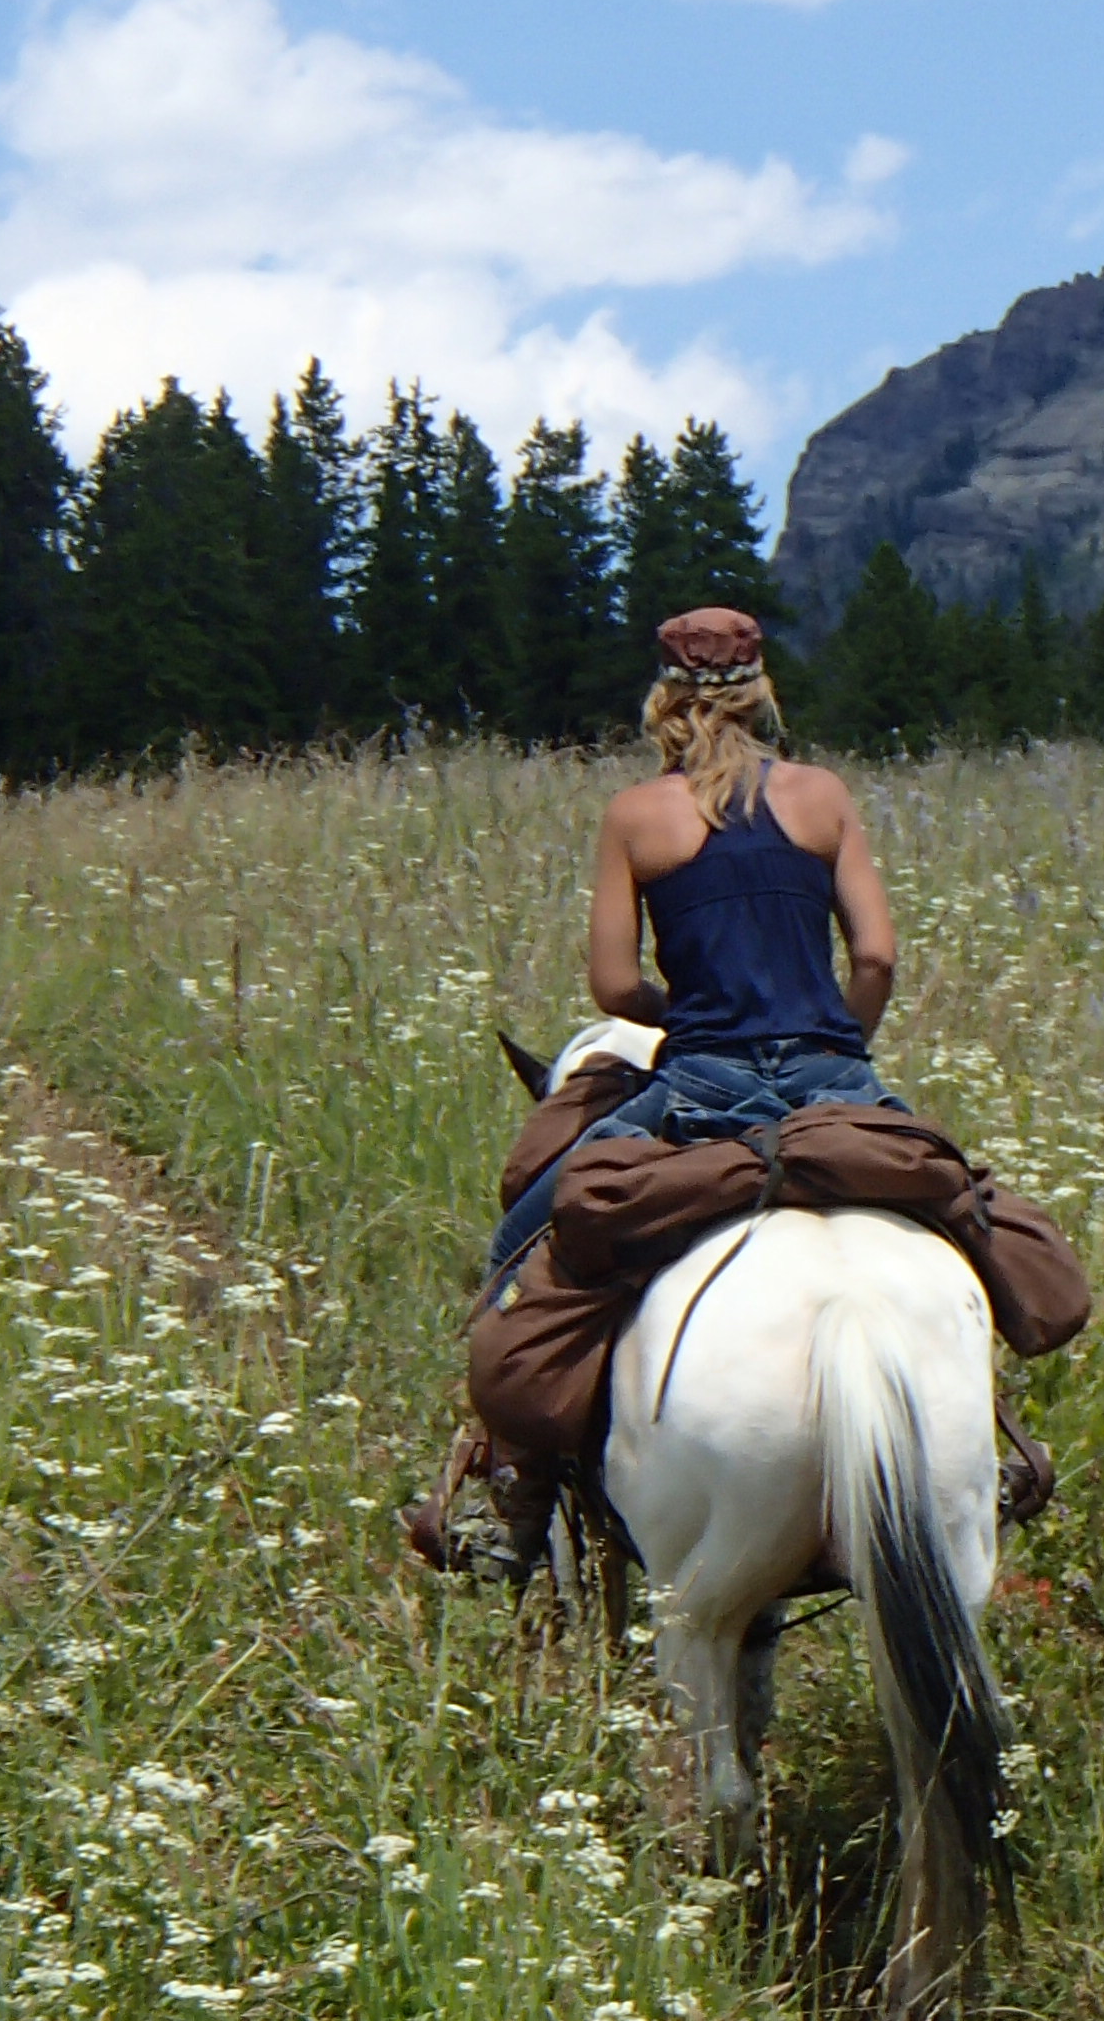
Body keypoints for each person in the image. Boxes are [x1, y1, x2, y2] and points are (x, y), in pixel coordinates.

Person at [406, 605, 1044, 1576]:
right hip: (835, 1077)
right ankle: (988, 1446)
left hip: (701, 1087)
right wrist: (836, 1049)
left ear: (661, 700)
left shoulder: (637, 816)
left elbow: (614, 988)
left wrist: (693, 1014)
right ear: (762, 696)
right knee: (964, 1213)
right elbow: (876, 956)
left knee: (523, 1247)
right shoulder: (823, 798)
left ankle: (518, 1501)